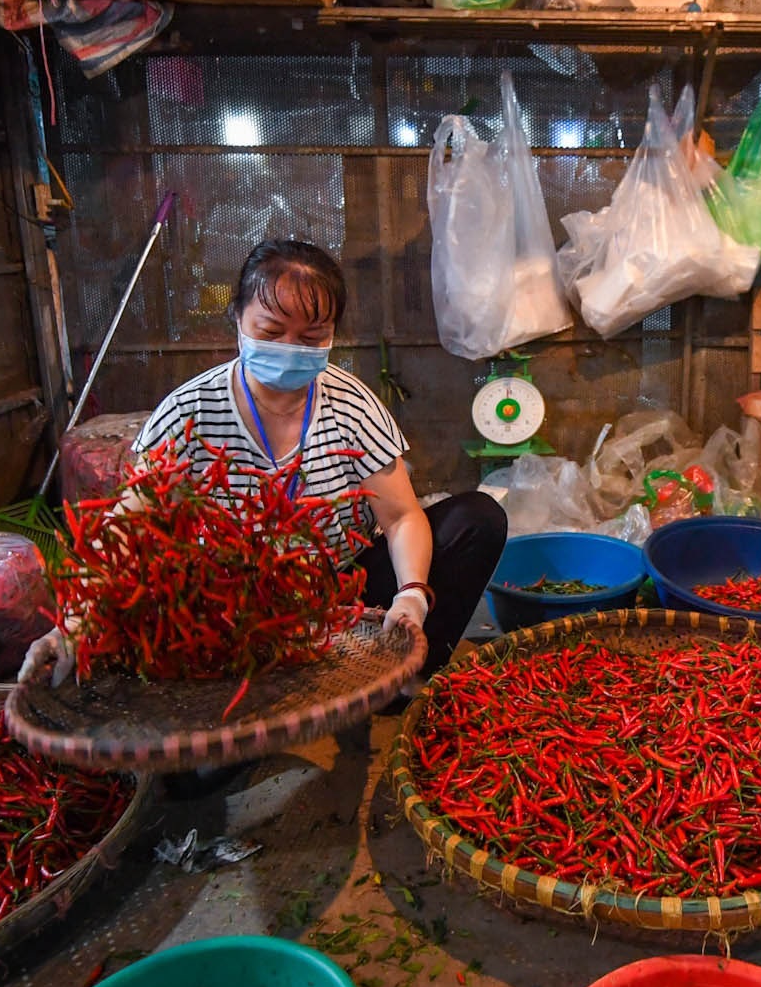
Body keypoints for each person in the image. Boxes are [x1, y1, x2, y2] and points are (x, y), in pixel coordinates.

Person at [26, 239, 506, 684]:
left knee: (476, 518)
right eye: (271, 332)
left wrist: (412, 594)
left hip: (342, 590)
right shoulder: (188, 414)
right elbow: (129, 528)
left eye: (312, 336)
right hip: (234, 603)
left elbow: (401, 516)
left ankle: (404, 677)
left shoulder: (352, 405)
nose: (290, 350)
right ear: (237, 319)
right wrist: (74, 620)